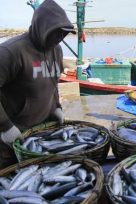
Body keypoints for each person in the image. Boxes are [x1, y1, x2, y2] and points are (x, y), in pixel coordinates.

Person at [0, 0, 75, 168]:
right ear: (41, 27)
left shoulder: (57, 49)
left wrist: (56, 107)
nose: (59, 38)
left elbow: (53, 82)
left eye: (63, 33)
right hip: (11, 139)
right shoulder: (11, 52)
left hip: (41, 135)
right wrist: (5, 127)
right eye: (56, 32)